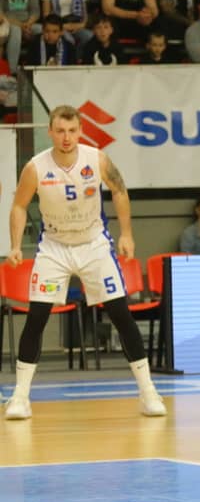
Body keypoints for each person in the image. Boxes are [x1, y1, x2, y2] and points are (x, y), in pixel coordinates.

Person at [4, 105, 167, 420]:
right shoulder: (35, 167)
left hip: (94, 245)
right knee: (37, 317)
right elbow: (19, 206)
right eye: (60, 131)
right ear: (50, 132)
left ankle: (148, 393)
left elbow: (119, 190)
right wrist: (14, 245)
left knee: (120, 313)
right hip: (54, 247)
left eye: (72, 131)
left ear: (80, 131)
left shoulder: (97, 159)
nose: (66, 137)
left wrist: (127, 234)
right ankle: (20, 398)